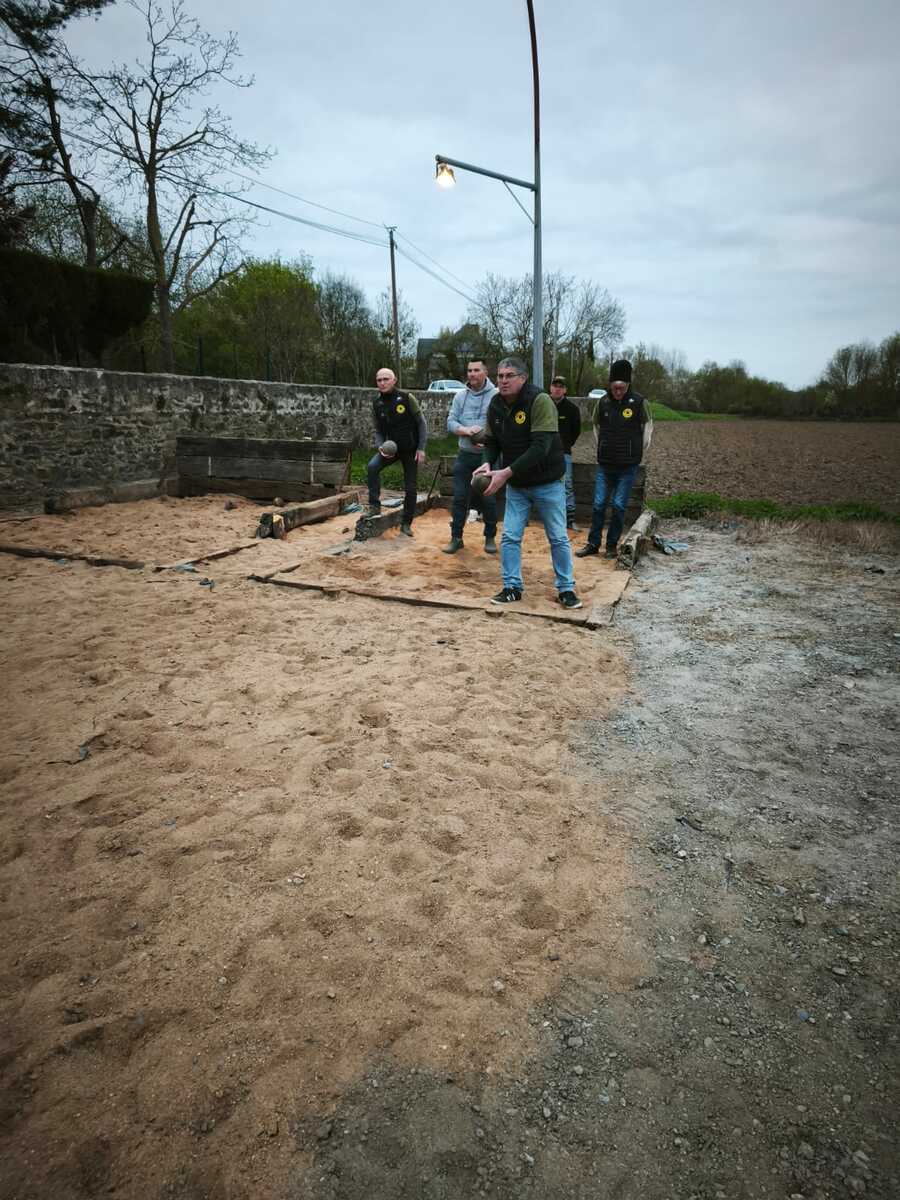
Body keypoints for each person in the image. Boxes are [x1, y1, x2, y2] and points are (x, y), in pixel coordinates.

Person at [475, 355, 582, 609]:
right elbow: (491, 441)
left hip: (548, 481)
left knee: (557, 536)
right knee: (510, 536)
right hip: (518, 484)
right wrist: (488, 463)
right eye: (500, 376)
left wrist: (506, 472)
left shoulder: (540, 400)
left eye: (509, 376)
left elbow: (540, 447)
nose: (503, 381)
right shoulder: (495, 404)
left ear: (523, 378)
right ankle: (512, 587)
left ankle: (566, 589)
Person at [576, 358, 653, 559]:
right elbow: (595, 426)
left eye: (622, 388)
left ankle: (611, 545)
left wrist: (637, 450)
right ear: (610, 384)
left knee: (619, 506)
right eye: (615, 387)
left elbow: (648, 427)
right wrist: (602, 445)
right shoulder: (603, 402)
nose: (618, 391)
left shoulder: (639, 402)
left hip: (628, 466)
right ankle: (593, 543)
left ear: (628, 384)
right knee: (598, 504)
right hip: (605, 464)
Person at [443, 359, 498, 555]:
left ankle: (490, 537)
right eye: (469, 370)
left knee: (488, 498)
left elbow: (502, 423)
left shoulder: (496, 395)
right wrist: (466, 431)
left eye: (476, 370)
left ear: (485, 372)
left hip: (487, 456)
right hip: (465, 455)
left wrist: (487, 437)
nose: (472, 374)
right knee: (459, 497)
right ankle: (456, 538)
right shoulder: (460, 396)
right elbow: (450, 422)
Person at [367, 367, 427, 536]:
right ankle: (374, 506)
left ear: (394, 380)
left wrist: (421, 448)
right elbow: (378, 430)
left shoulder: (407, 398)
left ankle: (406, 524)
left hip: (410, 449)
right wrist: (380, 446)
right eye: (379, 380)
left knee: (411, 488)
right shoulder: (376, 404)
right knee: (372, 466)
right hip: (391, 449)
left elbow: (422, 423)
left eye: (386, 379)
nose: (382, 383)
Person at [548, 374, 582, 529]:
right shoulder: (542, 404)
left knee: (567, 484)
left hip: (564, 452)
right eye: (555, 386)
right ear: (550, 387)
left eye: (560, 387)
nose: (557, 389)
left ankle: (570, 519)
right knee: (542, 483)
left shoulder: (572, 409)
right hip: (542, 452)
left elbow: (576, 431)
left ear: (565, 390)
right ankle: (546, 517)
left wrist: (565, 444)